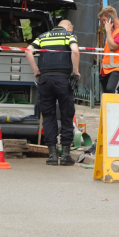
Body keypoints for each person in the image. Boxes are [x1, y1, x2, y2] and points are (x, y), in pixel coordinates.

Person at [24, 20, 80, 166]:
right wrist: (76, 72)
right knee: (67, 116)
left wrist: (36, 71)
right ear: (68, 26)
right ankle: (66, 155)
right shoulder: (69, 35)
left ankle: (52, 156)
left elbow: (28, 50)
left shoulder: (42, 36)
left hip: (45, 80)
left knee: (48, 116)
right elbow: (75, 51)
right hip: (63, 80)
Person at [98, 7, 119, 94]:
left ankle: (115, 107)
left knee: (111, 90)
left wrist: (108, 31)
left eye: (105, 20)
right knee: (107, 94)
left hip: (118, 68)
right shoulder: (113, 32)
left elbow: (113, 47)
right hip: (107, 69)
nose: (104, 23)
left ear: (111, 17)